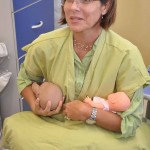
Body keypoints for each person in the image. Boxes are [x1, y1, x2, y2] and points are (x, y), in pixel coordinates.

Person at [3, 0, 150, 149]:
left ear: (105, 7)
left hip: (102, 132)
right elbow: (25, 79)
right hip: (54, 125)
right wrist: (35, 106)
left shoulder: (126, 55)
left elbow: (129, 123)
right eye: (69, 0)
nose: (73, 7)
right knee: (14, 125)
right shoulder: (45, 44)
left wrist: (89, 113)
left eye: (85, 1)